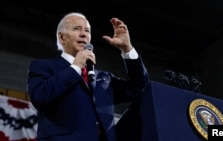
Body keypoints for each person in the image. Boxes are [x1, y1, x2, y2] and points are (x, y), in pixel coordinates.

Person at [27, 12, 150, 141]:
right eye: (76, 29)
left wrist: (127, 48)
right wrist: (75, 67)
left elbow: (141, 87)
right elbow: (40, 97)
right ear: (62, 37)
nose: (83, 34)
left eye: (87, 30)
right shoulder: (43, 67)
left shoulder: (103, 78)